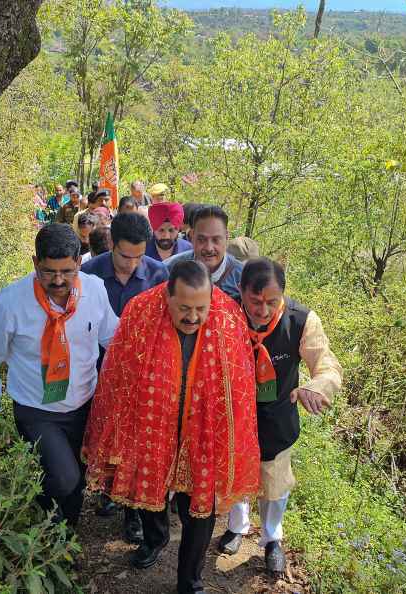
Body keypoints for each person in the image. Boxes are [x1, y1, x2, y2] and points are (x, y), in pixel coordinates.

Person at [82, 260, 260, 594]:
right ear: (167, 296)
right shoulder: (140, 310)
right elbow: (119, 372)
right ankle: (156, 538)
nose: (193, 317)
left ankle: (190, 581)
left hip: (205, 428)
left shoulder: (228, 316)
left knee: (200, 506)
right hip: (150, 420)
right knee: (148, 487)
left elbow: (239, 383)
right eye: (184, 309)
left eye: (200, 309)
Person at [0, 223, 119, 528]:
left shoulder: (94, 290)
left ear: (79, 262)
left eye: (67, 271)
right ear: (35, 263)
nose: (58, 280)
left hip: (84, 404)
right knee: (64, 478)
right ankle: (30, 510)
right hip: (36, 409)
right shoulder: (10, 304)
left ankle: (63, 539)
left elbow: (112, 337)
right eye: (49, 272)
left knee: (76, 481)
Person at [218, 258, 342, 573]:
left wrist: (316, 386)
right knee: (235, 474)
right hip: (233, 415)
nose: (262, 310)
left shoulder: (301, 320)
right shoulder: (225, 314)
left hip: (277, 416)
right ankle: (237, 526)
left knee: (275, 483)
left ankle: (273, 538)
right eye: (255, 301)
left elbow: (325, 363)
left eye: (272, 302)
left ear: (283, 295)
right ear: (241, 292)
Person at [81, 212, 170, 542]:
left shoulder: (160, 274)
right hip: (97, 373)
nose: (132, 264)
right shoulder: (89, 273)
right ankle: (106, 490)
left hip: (141, 377)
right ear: (111, 245)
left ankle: (131, 513)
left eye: (138, 256)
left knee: (134, 444)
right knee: (104, 434)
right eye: (124, 256)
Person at [164, 205, 243, 303]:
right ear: (191, 236)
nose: (209, 248)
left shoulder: (242, 277)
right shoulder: (168, 270)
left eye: (216, 240)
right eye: (202, 240)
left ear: (226, 237)